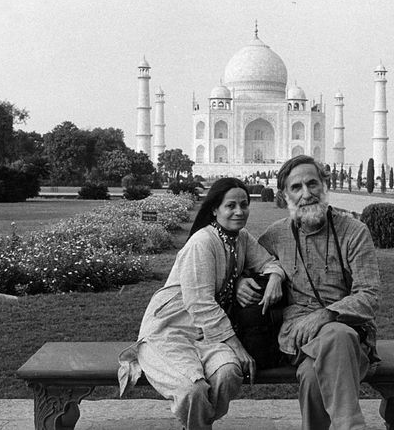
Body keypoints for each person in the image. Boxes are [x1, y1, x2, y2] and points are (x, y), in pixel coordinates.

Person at [118, 178, 286, 430]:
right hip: (172, 329)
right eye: (231, 205)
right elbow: (200, 303)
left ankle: (195, 423)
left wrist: (275, 276)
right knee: (193, 389)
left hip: (208, 333)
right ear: (215, 209)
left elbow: (267, 261)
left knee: (229, 374)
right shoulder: (202, 242)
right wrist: (237, 347)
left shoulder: (240, 239)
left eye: (244, 204)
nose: (239, 211)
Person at [236, 155, 380, 430]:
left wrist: (326, 315)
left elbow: (369, 296)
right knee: (332, 341)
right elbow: (243, 266)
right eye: (296, 188)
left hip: (349, 335)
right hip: (298, 337)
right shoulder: (277, 235)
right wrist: (242, 282)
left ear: (324, 185)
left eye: (312, 184)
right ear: (284, 195)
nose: (307, 194)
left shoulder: (354, 232)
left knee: (318, 367)